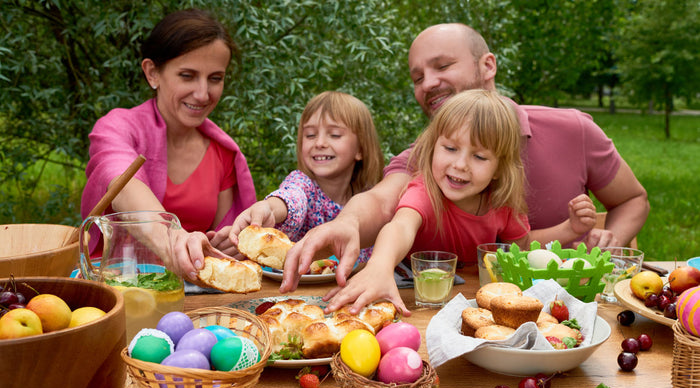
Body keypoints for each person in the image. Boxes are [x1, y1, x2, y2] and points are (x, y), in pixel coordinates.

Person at [280, 23, 649, 312]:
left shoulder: (571, 130)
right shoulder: (423, 162)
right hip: (449, 306)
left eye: (442, 65)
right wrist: (349, 224)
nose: (428, 83)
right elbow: (386, 207)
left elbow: (631, 200)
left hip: (573, 304)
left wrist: (603, 239)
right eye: (417, 77)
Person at [340, 89, 596, 315]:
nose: (460, 164)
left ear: (499, 168)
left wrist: (570, 229)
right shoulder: (425, 190)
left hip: (469, 302)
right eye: (450, 149)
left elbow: (523, 246)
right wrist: (379, 266)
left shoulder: (502, 203)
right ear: (432, 148)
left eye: (479, 157)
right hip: (414, 299)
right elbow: (400, 226)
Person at [80, 9, 256, 281]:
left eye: (215, 78)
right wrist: (174, 240)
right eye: (187, 75)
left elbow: (226, 249)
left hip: (193, 297)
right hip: (116, 291)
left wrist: (226, 245)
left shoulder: (224, 153)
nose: (202, 94)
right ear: (152, 73)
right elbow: (123, 185)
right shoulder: (116, 129)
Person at [211, 91, 383, 264]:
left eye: (335, 135)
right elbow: (291, 197)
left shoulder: (371, 197)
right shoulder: (303, 183)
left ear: (360, 149)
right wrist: (268, 208)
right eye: (310, 135)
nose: (319, 143)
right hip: (299, 290)